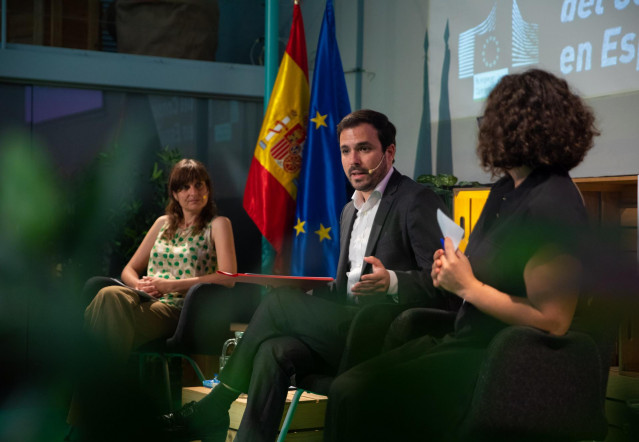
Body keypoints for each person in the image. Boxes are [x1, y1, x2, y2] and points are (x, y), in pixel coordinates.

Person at [323, 69, 600, 440]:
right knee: (346, 387)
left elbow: (553, 319)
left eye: (494, 118)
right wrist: (449, 270)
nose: (486, 128)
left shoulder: (552, 202)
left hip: (503, 361)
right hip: (465, 340)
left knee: (356, 394)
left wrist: (466, 285)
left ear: (524, 125)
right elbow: (479, 273)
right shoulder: (506, 189)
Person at [159, 109, 456, 442]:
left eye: (364, 148)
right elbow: (343, 289)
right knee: (274, 350)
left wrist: (393, 282)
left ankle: (216, 406)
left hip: (385, 334)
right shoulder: (348, 210)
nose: (353, 160)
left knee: (278, 306)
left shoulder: (416, 200)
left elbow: (445, 285)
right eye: (345, 151)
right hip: (345, 328)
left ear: (389, 151)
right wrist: (309, 292)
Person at [67, 158, 237, 433]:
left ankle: (84, 426)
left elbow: (227, 277)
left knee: (103, 305)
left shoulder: (218, 224)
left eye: (199, 184)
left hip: (180, 310)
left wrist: (172, 286)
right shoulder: (162, 224)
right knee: (109, 298)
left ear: (208, 188)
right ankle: (98, 423)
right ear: (174, 193)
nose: (193, 192)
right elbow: (129, 270)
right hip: (145, 301)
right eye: (184, 187)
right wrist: (138, 286)